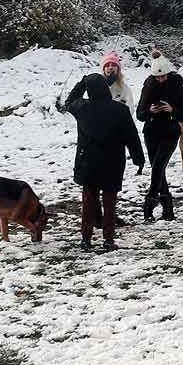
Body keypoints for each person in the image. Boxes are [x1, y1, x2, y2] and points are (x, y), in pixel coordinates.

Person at [65, 73, 143, 251]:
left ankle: (86, 239)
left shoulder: (82, 108)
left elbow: (69, 100)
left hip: (88, 164)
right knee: (109, 203)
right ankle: (108, 239)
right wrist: (138, 158)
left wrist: (82, 83)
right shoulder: (120, 110)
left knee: (88, 203)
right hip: (112, 163)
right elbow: (131, 137)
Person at [135, 51, 183, 222]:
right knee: (158, 171)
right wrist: (150, 112)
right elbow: (139, 114)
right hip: (151, 132)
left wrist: (171, 110)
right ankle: (168, 208)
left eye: (163, 77)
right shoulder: (148, 86)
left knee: (158, 166)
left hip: (170, 132)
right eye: (157, 77)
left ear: (168, 74)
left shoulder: (178, 88)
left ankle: (150, 202)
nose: (160, 80)